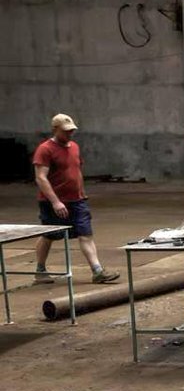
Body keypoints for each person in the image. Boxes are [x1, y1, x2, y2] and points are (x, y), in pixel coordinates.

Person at [31, 113, 120, 284]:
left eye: (71, 130)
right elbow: (41, 177)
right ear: (55, 129)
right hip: (53, 203)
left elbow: (76, 171)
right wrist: (56, 202)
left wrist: (81, 192)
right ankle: (40, 271)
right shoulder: (45, 149)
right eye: (66, 131)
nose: (69, 134)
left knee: (85, 234)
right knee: (49, 235)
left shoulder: (74, 147)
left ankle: (97, 271)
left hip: (78, 201)